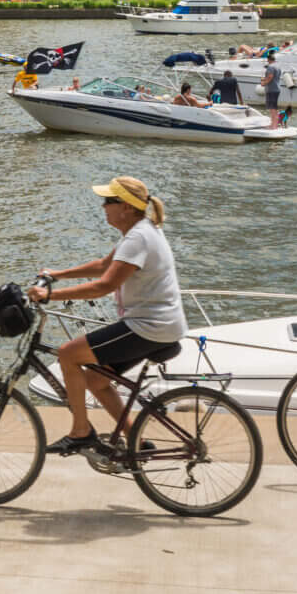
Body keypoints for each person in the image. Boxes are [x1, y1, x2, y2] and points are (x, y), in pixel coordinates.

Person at [30, 177, 185, 456]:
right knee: (96, 380)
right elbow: (104, 266)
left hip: (148, 326)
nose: (103, 206)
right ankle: (135, 441)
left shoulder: (139, 237)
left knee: (68, 354)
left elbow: (105, 286)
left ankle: (80, 432)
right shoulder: (140, 231)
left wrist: (50, 295)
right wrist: (57, 274)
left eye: (108, 201)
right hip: (157, 325)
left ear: (125, 207)